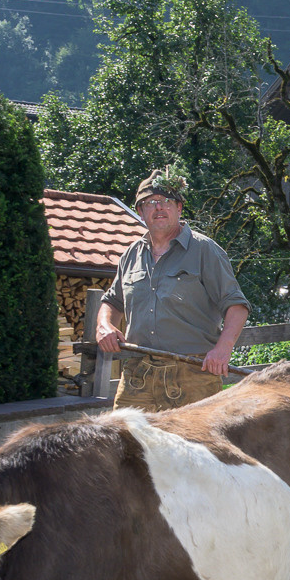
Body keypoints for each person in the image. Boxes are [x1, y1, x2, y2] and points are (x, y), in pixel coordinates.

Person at [94, 166, 251, 410]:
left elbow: (237, 306)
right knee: (126, 445)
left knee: (196, 447)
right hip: (138, 375)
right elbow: (112, 301)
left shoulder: (205, 250)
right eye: (150, 202)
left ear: (179, 208)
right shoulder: (131, 256)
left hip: (193, 374)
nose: (159, 207)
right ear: (141, 211)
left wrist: (223, 349)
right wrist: (104, 326)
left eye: (166, 201)